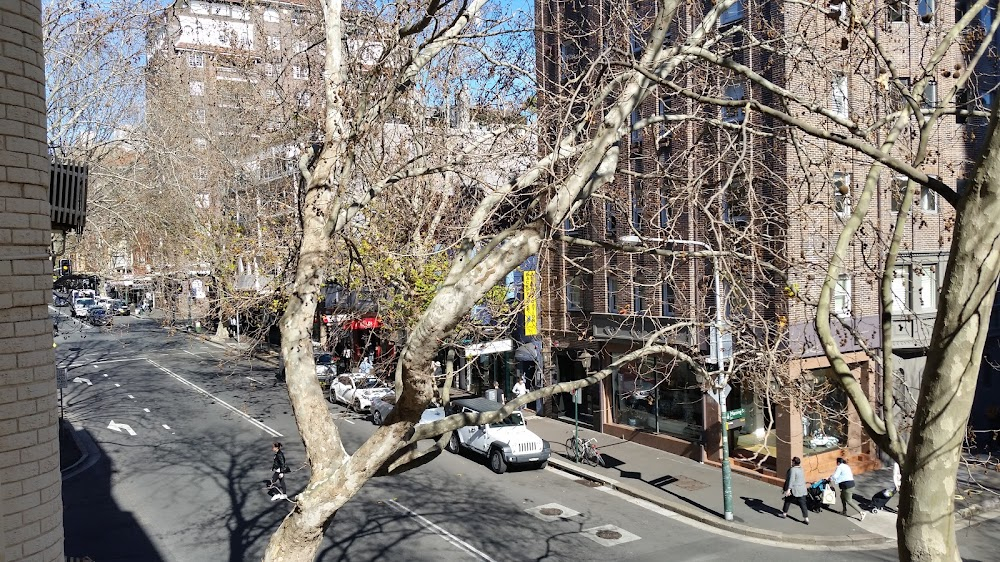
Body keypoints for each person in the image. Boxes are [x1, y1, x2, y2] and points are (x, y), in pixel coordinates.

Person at [829, 457, 865, 521]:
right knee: (842, 496)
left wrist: (830, 478)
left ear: (838, 462)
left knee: (849, 501)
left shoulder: (839, 467)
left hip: (847, 486)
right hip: (850, 484)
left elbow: (835, 476)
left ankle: (861, 512)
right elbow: (842, 476)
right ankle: (844, 511)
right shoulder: (846, 466)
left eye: (837, 463)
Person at [779, 456, 809, 524]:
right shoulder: (801, 469)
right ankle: (806, 518)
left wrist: (788, 489)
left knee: (787, 500)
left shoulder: (793, 470)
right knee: (803, 504)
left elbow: (791, 480)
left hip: (795, 489)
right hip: (802, 489)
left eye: (792, 461)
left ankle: (784, 514)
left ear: (794, 462)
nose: (791, 462)